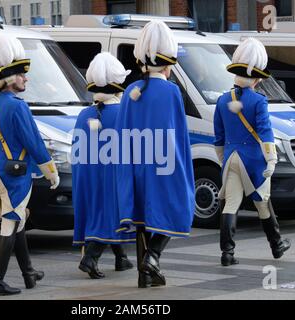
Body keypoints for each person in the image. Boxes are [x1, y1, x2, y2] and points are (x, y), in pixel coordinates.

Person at [115, 21, 195, 288]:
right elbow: (176, 135)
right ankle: (153, 256)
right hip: (162, 164)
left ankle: (145, 274)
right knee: (177, 207)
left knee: (141, 217)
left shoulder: (129, 92)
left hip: (136, 163)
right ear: (167, 65)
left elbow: (123, 132)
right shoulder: (171, 91)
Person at [0, 36, 60, 296]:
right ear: (12, 78)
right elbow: (34, 143)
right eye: (23, 75)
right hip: (14, 174)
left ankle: (28, 272)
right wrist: (51, 171)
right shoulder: (16, 106)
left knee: (17, 218)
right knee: (10, 223)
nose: (26, 79)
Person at [214, 38, 291, 267]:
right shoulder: (259, 101)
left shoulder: (221, 100)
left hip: (231, 158)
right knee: (262, 203)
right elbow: (265, 132)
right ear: (256, 79)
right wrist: (272, 159)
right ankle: (276, 245)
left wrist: (223, 160)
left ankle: (227, 253)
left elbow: (218, 137)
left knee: (231, 205)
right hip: (254, 161)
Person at [72, 52, 135, 279]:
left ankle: (121, 258)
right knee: (112, 213)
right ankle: (91, 257)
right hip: (113, 173)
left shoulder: (83, 114)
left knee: (99, 211)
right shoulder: (124, 113)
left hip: (88, 174)